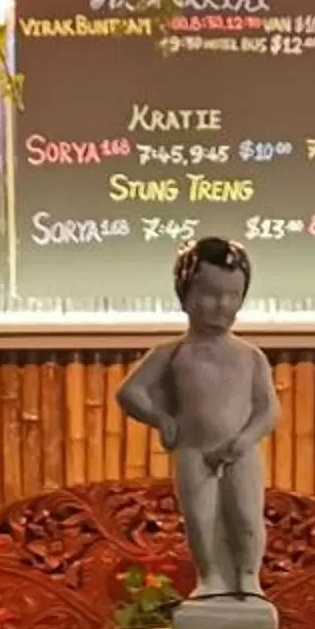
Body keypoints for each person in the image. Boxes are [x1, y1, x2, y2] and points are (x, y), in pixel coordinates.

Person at [116, 236, 279, 602]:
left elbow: (269, 409)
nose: (222, 305)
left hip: (240, 453)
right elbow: (129, 393)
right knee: (202, 518)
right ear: (185, 295)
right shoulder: (173, 354)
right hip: (193, 450)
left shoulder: (250, 357)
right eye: (209, 294)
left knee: (246, 515)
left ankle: (248, 578)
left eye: (232, 296)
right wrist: (162, 419)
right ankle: (212, 578)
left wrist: (246, 437)